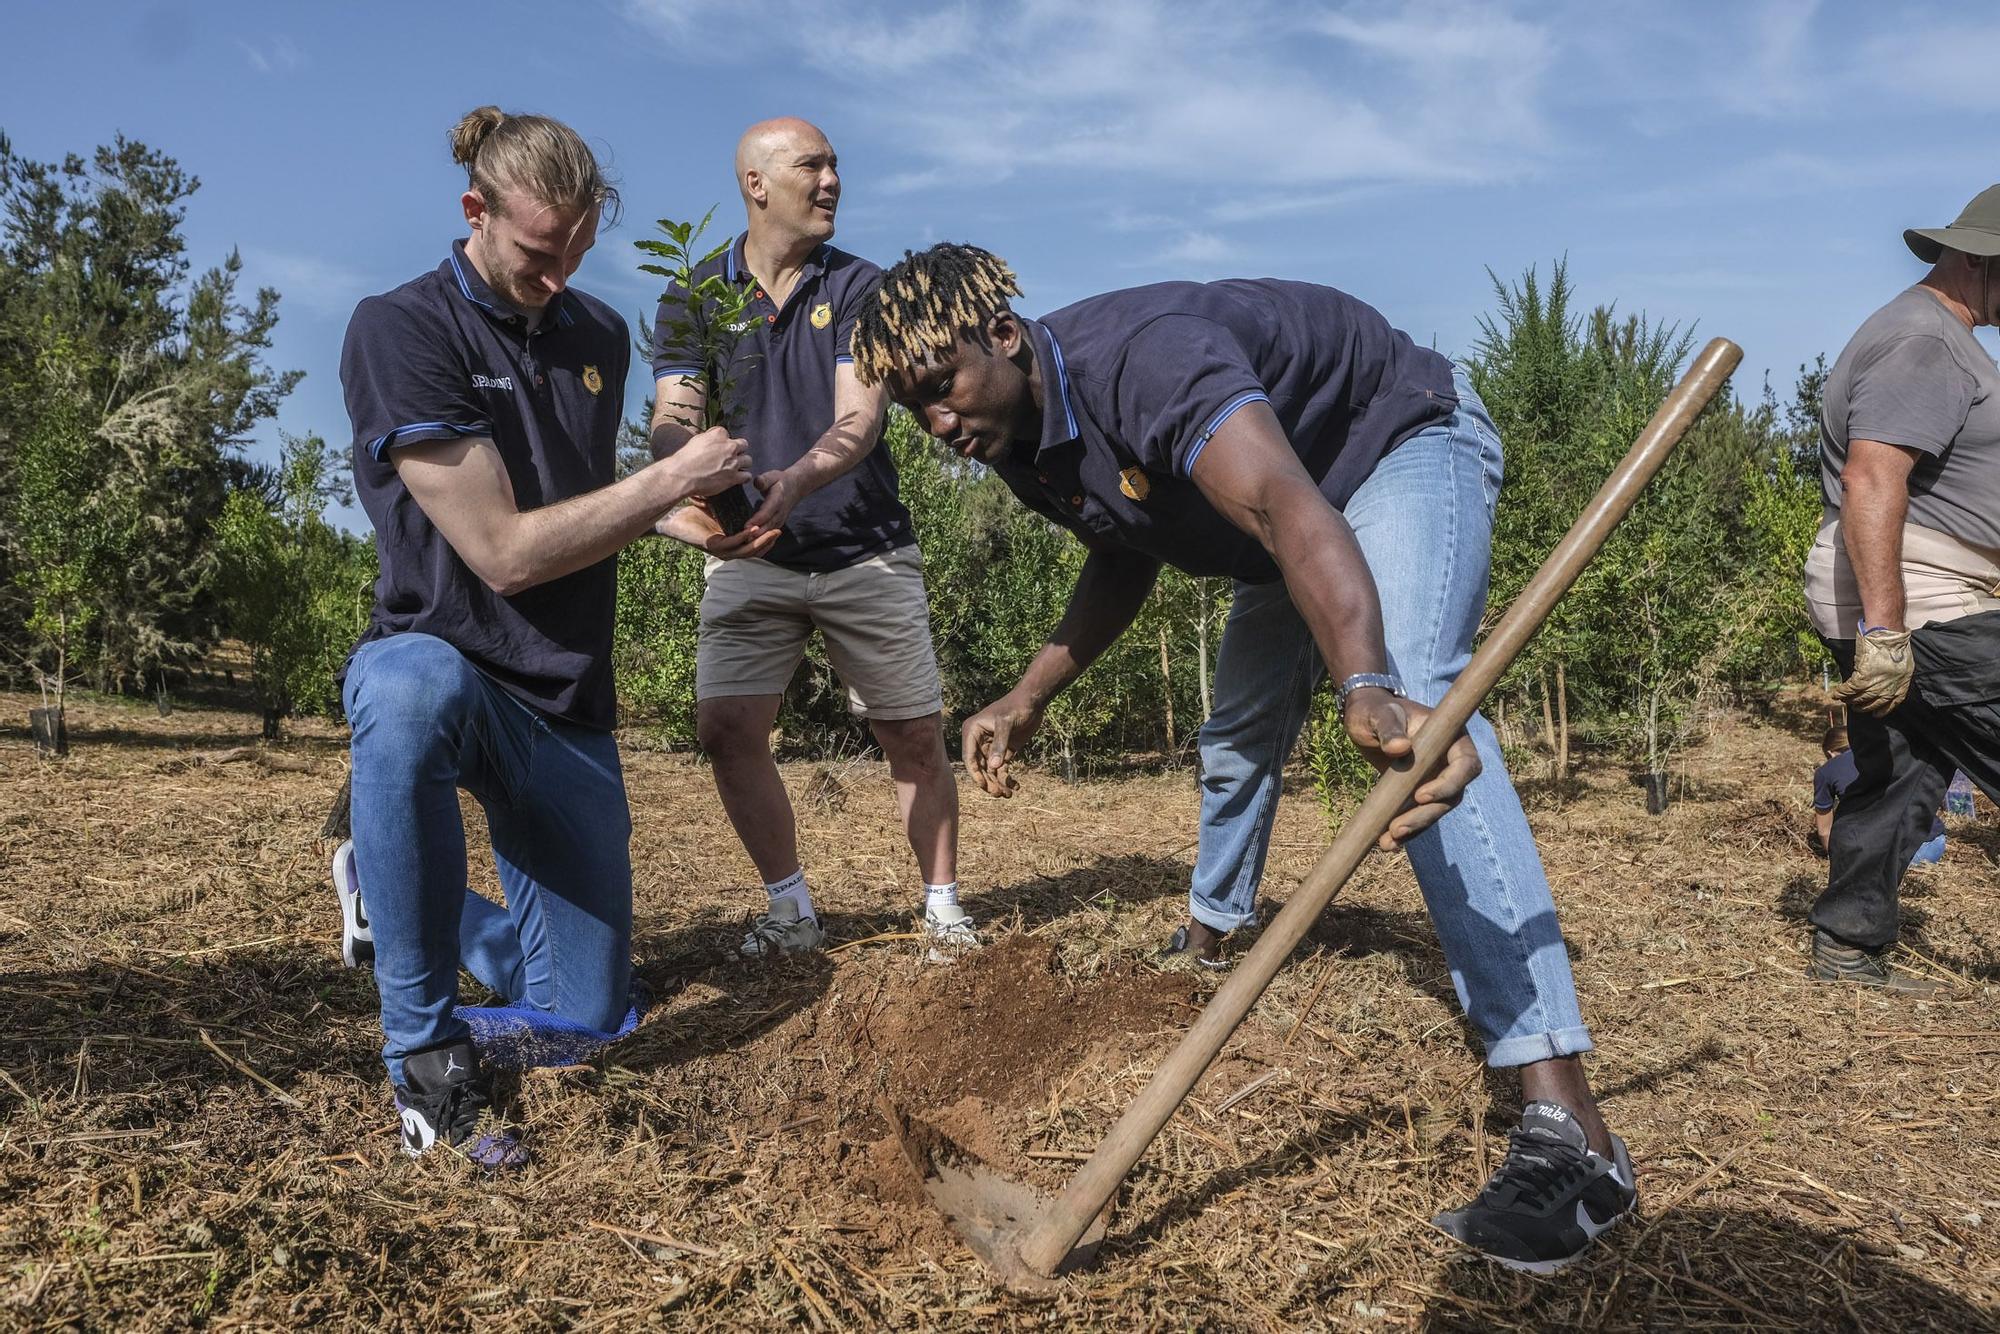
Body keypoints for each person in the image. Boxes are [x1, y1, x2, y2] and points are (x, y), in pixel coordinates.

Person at [851, 244, 1634, 1273]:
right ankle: (1210, 937)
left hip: (1388, 447)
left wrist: (1361, 681)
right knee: (1235, 734)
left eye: (941, 387)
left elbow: (1279, 503)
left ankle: (1569, 1126)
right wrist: (1028, 694)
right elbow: (1122, 546)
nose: (938, 424)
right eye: (914, 409)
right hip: (1282, 518)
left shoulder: (1147, 361)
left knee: (1421, 721)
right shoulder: (1017, 436)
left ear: (1002, 335)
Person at [335, 106, 751, 1166]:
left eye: (574, 254)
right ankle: (424, 1058)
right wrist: (665, 472)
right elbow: (506, 550)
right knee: (403, 689)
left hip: (561, 695)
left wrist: (681, 513)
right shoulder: (400, 329)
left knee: (592, 1018)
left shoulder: (597, 335)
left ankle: (384, 894)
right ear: (473, 211)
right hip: (451, 666)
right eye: (533, 254)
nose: (557, 277)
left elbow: (575, 495)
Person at [648, 119, 974, 961]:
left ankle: (943, 909)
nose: (832, 180)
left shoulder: (860, 287)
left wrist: (792, 482)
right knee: (726, 727)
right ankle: (790, 909)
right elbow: (672, 416)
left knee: (911, 735)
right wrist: (681, 472)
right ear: (756, 184)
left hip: (862, 546)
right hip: (752, 551)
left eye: (835, 165)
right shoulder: (696, 296)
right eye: (812, 166)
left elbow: (858, 421)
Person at [1803, 183, 2000, 993]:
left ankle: (1848, 944)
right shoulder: (1925, 341)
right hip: (1923, 600)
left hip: (1919, 594)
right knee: (1905, 764)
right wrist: (1886, 631)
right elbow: (1874, 476)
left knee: (1904, 770)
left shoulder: (1934, 334)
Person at [1811, 725, 1944, 865]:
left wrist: (1835, 859)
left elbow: (1824, 831)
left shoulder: (1827, 770)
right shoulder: (1892, 751)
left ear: (1831, 753)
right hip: (1934, 843)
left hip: (1889, 855)